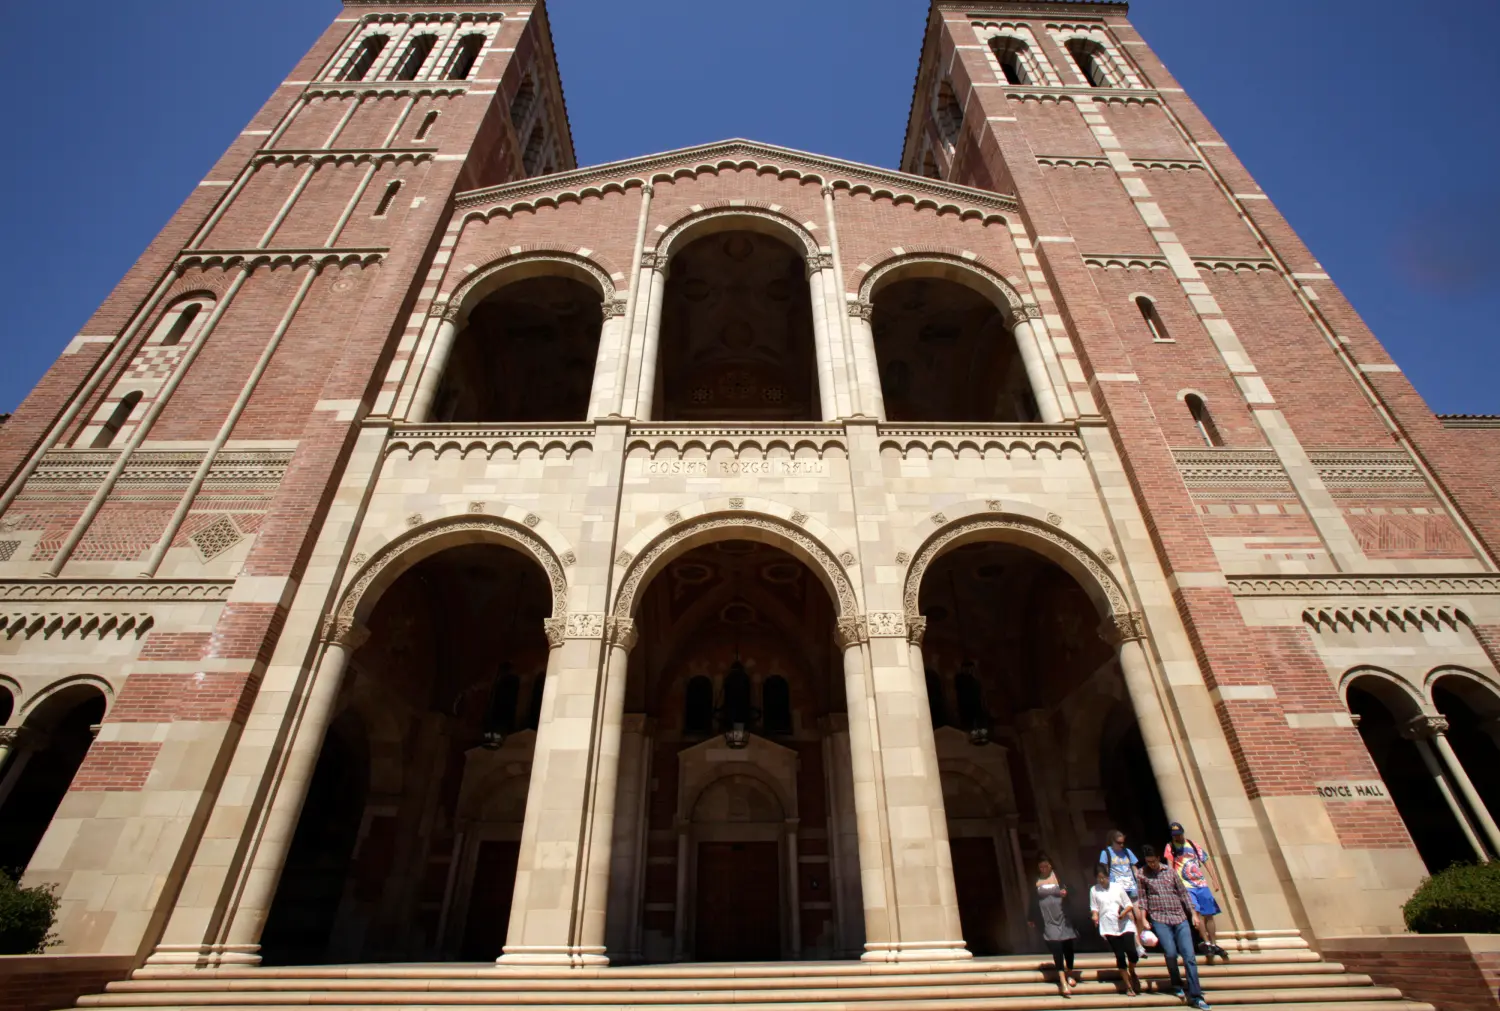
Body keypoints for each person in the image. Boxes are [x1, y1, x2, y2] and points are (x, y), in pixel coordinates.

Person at [1138, 844, 1209, 1010]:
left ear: (1158, 859)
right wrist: (1143, 919)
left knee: (1189, 956)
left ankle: (1196, 995)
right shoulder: (1142, 874)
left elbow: (1183, 893)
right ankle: (1176, 982)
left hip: (1179, 916)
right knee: (1170, 952)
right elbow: (1142, 898)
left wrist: (1193, 914)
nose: (1152, 865)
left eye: (1153, 861)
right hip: (1159, 917)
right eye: (1148, 862)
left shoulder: (1170, 872)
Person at [1165, 822, 1228, 962]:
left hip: (1201, 883)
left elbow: (1205, 860)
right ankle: (1205, 941)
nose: (1178, 837)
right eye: (1175, 835)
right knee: (1196, 913)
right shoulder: (1170, 847)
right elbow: (1170, 866)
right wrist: (1172, 884)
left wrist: (1214, 879)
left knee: (1209, 914)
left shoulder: (1193, 845)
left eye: (1179, 834)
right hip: (1186, 885)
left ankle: (1213, 942)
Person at [1028, 854, 1080, 997]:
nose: (1043, 869)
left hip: (1063, 917)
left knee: (1068, 948)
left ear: (1051, 865)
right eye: (1041, 867)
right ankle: (1063, 982)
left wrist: (1066, 893)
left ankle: (1069, 972)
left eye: (1046, 866)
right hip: (1048, 920)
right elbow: (1032, 899)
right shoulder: (1036, 880)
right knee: (1056, 948)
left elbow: (1074, 891)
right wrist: (1031, 917)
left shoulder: (1060, 877)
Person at [1090, 862, 1141, 996]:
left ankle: (1132, 970)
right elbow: (1094, 907)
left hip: (1124, 924)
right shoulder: (1094, 890)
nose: (1102, 880)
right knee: (1119, 955)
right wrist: (1095, 916)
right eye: (1099, 878)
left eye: (1104, 877)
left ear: (1108, 876)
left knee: (1132, 952)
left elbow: (1128, 904)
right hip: (1108, 926)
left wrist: (1123, 913)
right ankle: (1128, 985)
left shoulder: (1117, 888)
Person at [1099, 830, 1148, 952]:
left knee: (1140, 916)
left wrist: (1140, 880)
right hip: (1118, 889)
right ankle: (1138, 945)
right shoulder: (1106, 853)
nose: (1121, 845)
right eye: (1118, 843)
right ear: (1112, 841)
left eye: (1123, 843)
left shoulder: (1127, 852)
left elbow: (1134, 867)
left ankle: (1138, 939)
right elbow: (1104, 871)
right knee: (1130, 916)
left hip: (1132, 887)